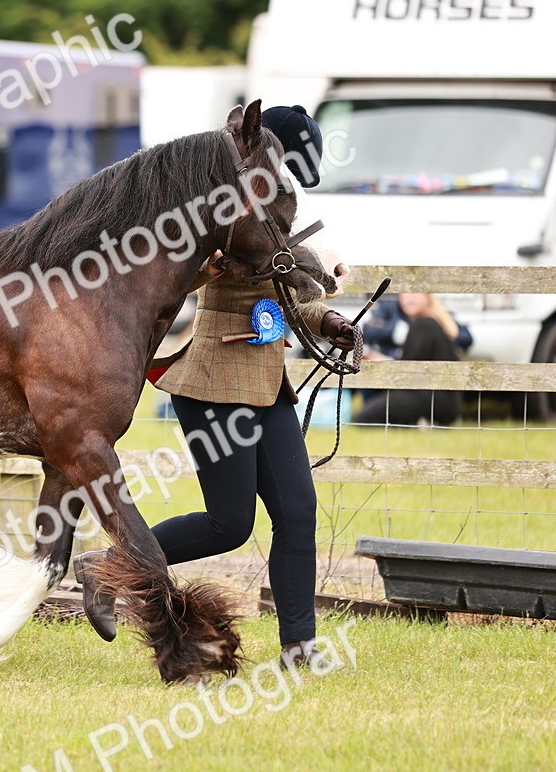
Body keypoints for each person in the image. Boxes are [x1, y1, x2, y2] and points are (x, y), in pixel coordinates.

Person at [74, 105, 359, 669]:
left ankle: (299, 646)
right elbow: (257, 267)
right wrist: (309, 262)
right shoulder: (223, 208)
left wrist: (329, 321)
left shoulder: (267, 204)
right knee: (229, 524)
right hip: (212, 384)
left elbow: (285, 294)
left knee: (298, 511)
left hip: (267, 383)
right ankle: (109, 565)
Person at [352, 292, 464, 425]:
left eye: (415, 294)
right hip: (439, 398)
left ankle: (422, 421)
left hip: (431, 397)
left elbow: (408, 370)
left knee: (364, 418)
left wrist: (383, 363)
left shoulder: (425, 325)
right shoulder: (433, 322)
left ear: (428, 297)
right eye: (404, 295)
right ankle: (419, 422)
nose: (408, 299)